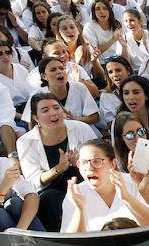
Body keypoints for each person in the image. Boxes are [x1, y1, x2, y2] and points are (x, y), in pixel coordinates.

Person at [16, 93, 97, 230]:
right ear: (36, 118)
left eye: (56, 107)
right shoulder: (25, 142)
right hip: (51, 190)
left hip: (83, 181)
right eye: (45, 110)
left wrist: (82, 162)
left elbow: (101, 156)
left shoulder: (81, 128)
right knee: (50, 198)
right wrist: (58, 169)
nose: (53, 113)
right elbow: (33, 180)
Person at [61, 139, 149, 232]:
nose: (89, 168)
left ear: (113, 164)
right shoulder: (76, 193)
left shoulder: (134, 182)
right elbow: (70, 243)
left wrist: (127, 198)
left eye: (96, 161)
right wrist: (80, 209)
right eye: (83, 162)